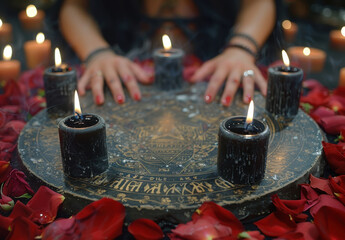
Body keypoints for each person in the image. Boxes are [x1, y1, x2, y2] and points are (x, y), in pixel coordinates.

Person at [59, 0, 276, 106]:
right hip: (122, 54)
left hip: (217, 56)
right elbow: (74, 6)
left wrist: (241, 48)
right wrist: (97, 53)